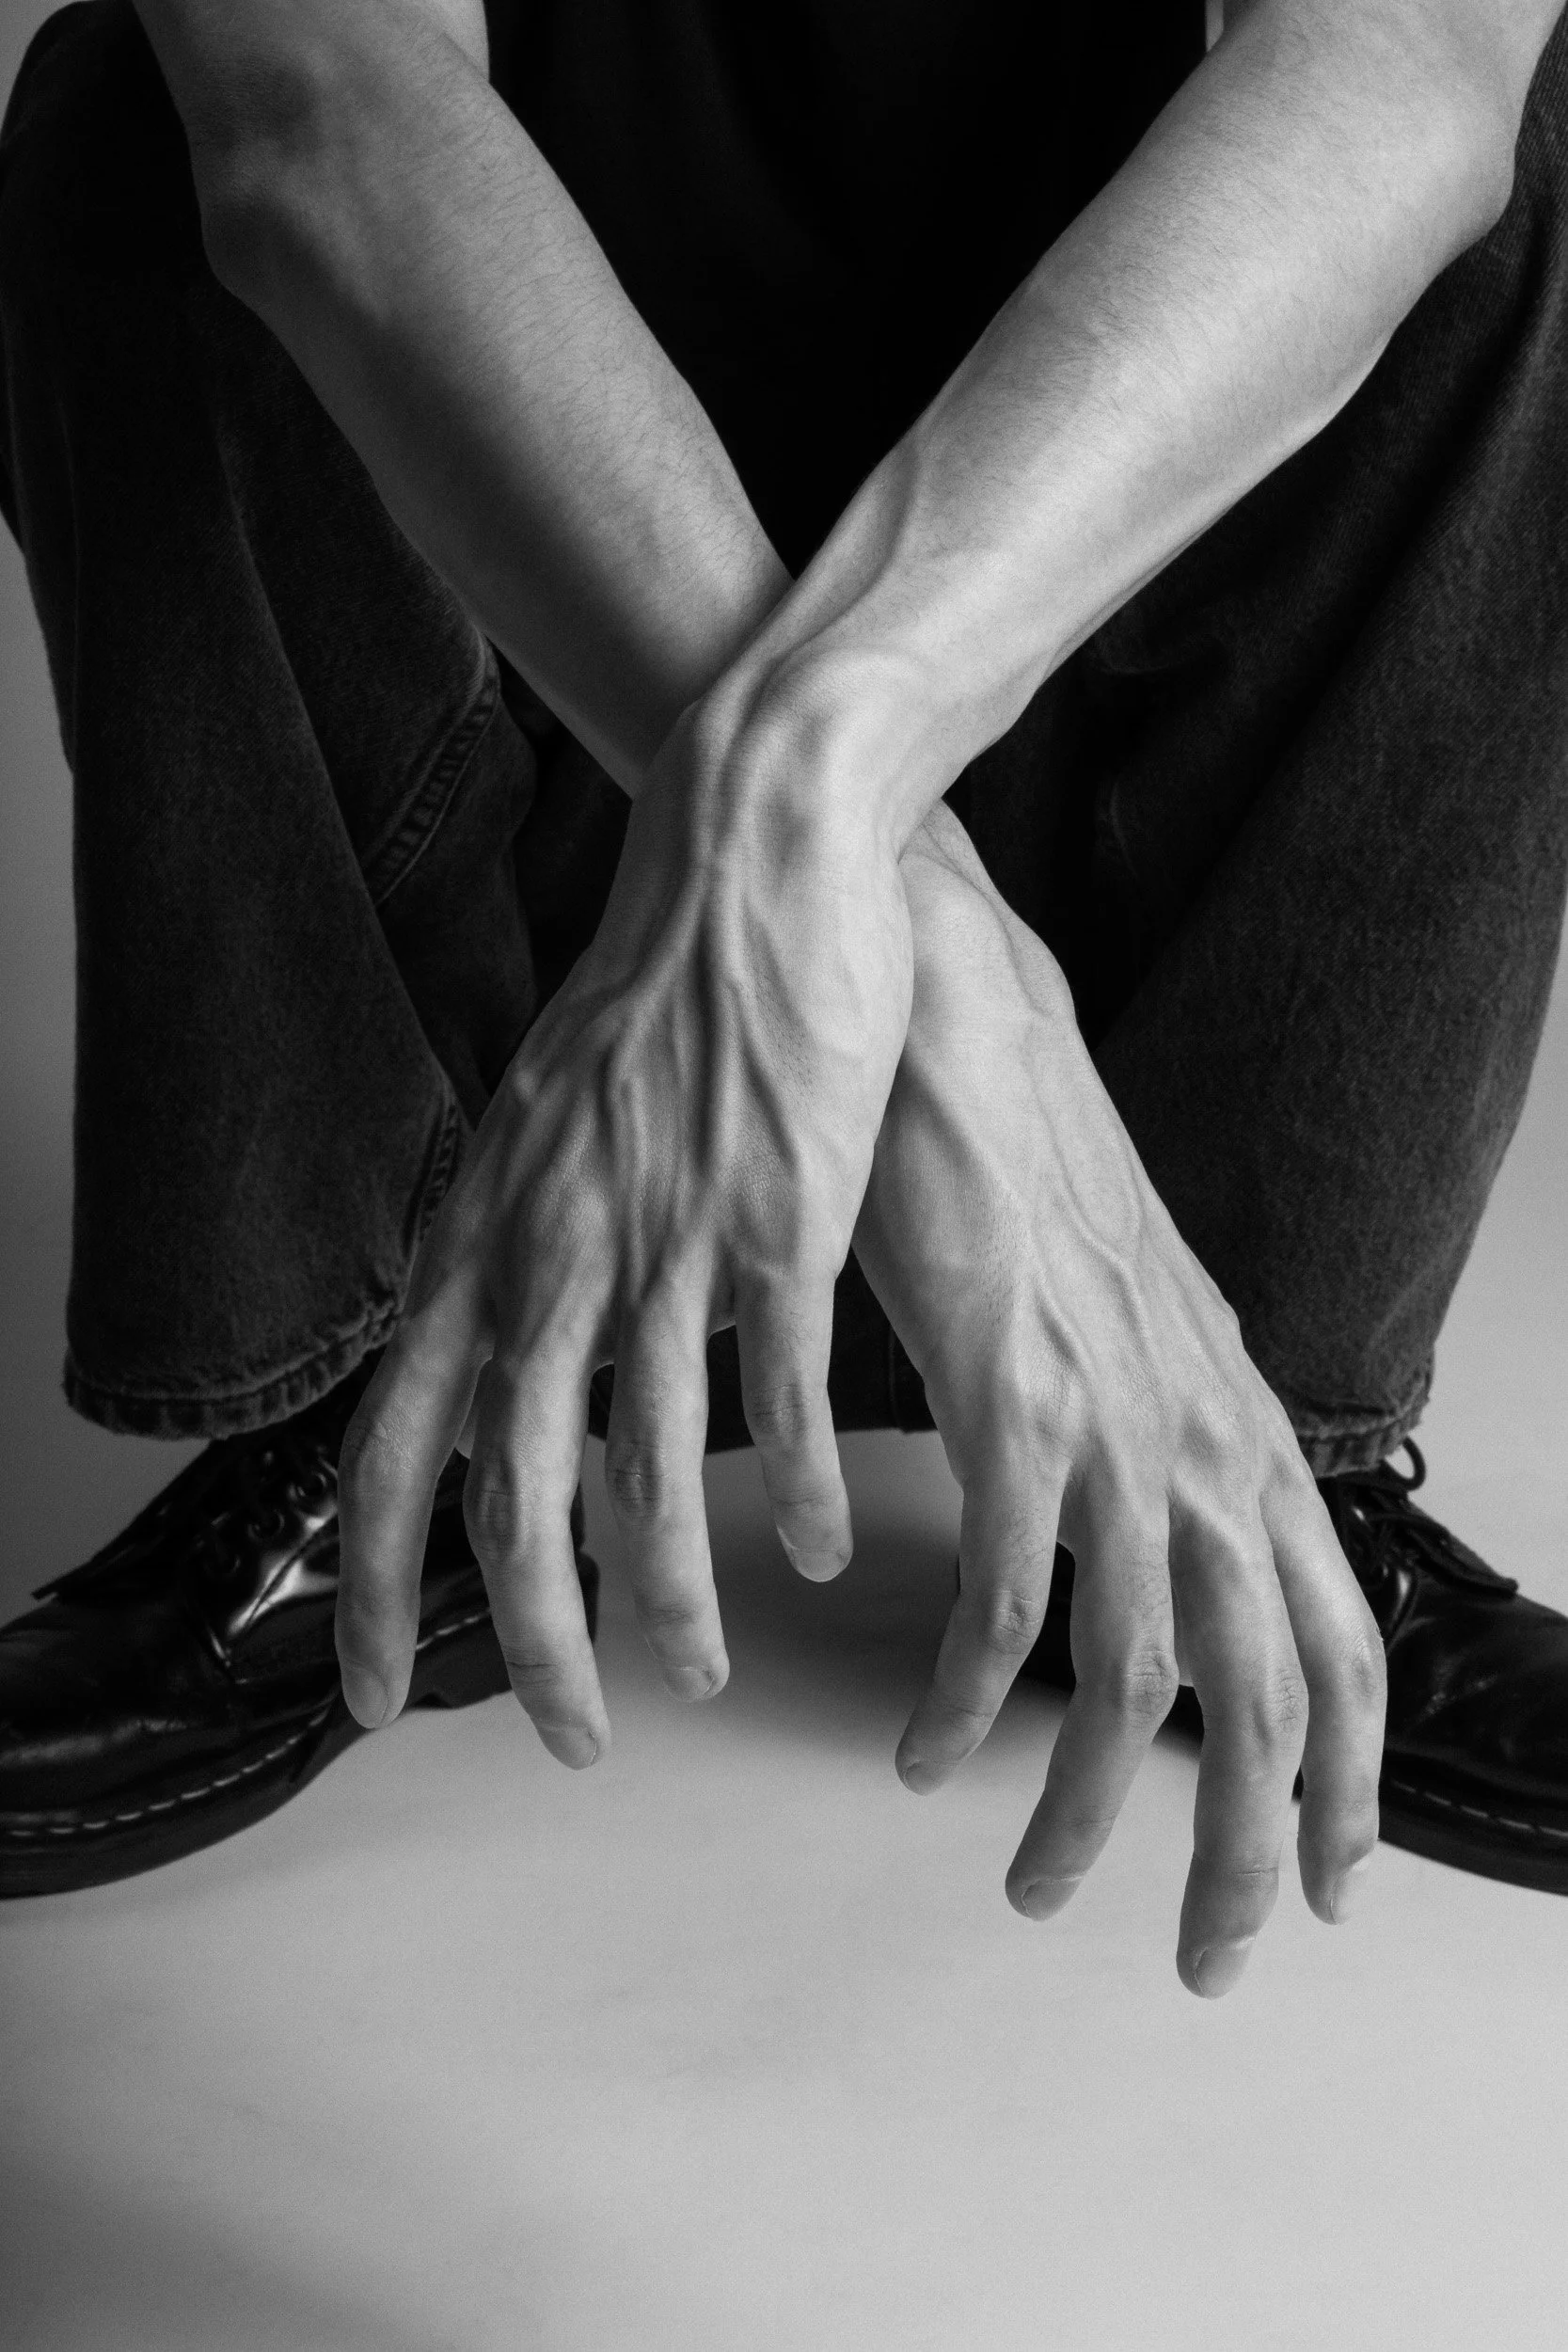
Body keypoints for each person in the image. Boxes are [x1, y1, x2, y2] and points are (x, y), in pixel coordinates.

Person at [1, 0, 1565, 1997]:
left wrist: (820, 773)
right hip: (524, 591)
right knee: (135, 117)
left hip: (1088, 557)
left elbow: (1409, 60)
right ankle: (377, 1399)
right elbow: (322, 100)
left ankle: (1243, 1443)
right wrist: (929, 976)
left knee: (1527, 140)